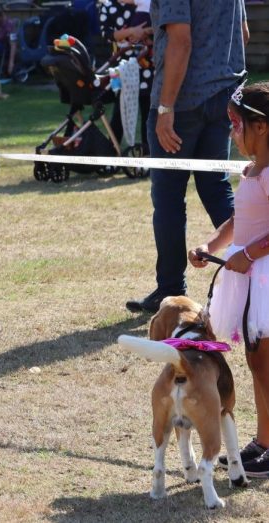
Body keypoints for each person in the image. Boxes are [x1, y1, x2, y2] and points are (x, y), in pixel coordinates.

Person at [125, 0, 248, 313]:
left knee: (167, 197)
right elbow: (242, 34)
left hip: (183, 100)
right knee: (215, 186)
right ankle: (256, 273)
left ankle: (170, 289)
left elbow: (182, 40)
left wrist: (166, 108)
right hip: (225, 92)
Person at [188, 81, 269, 478]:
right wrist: (211, 243)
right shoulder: (252, 171)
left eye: (238, 125)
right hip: (250, 275)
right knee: (257, 364)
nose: (232, 134)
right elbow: (240, 221)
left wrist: (250, 254)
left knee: (267, 366)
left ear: (262, 127)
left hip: (265, 276)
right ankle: (264, 441)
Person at [99, 0, 154, 154]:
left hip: (147, 65)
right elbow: (108, 34)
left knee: (148, 111)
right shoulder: (108, 6)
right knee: (120, 110)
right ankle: (112, 152)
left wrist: (146, 32)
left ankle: (148, 153)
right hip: (122, 67)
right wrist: (132, 31)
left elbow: (160, 25)